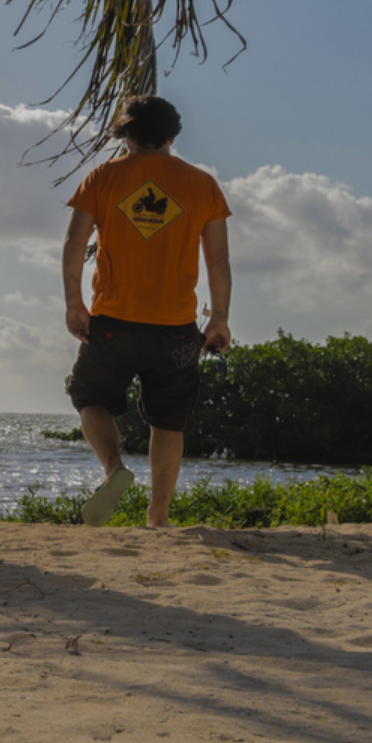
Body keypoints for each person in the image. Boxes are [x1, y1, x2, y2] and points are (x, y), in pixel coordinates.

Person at [62, 96, 232, 528]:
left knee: (90, 397)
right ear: (173, 135)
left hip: (113, 322)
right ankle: (158, 516)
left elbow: (75, 243)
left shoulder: (103, 176)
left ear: (126, 134)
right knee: (168, 421)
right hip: (175, 328)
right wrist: (219, 318)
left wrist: (74, 303)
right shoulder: (203, 184)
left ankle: (114, 468)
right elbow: (218, 260)